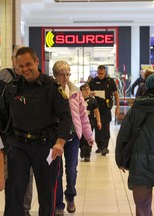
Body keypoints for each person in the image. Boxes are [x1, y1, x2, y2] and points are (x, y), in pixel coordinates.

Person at [0, 47, 72, 216]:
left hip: (46, 146)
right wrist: (3, 146)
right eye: (21, 66)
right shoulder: (12, 87)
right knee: (14, 192)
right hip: (18, 145)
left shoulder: (52, 87)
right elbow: (0, 118)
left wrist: (60, 142)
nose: (25, 69)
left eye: (28, 64)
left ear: (37, 62)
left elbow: (66, 117)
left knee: (46, 192)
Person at [0, 45, 34, 216]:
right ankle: (13, 211)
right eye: (16, 56)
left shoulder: (37, 81)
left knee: (28, 177)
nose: (20, 61)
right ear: (13, 58)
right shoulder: (3, 80)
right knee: (11, 178)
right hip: (7, 139)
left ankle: (25, 209)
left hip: (30, 139)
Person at [52, 60, 94, 216]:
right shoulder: (50, 91)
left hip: (73, 136)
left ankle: (70, 196)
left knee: (71, 169)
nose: (66, 77)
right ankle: (58, 204)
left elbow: (83, 116)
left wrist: (88, 135)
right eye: (62, 75)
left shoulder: (75, 92)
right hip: (55, 138)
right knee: (56, 172)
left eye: (68, 74)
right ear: (55, 75)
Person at [116, 72, 154, 216]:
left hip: (140, 163)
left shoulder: (136, 109)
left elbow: (123, 137)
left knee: (142, 206)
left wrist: (120, 160)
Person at [88, 65, 120, 156]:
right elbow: (86, 92)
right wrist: (90, 93)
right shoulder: (93, 81)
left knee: (105, 127)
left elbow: (116, 94)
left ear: (105, 72)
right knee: (97, 127)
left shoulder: (110, 81)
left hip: (106, 108)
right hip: (95, 108)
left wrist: (117, 107)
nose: (100, 75)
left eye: (102, 73)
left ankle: (105, 147)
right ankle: (99, 146)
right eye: (98, 73)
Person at [79, 83, 102, 162]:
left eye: (88, 89)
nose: (87, 91)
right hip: (79, 122)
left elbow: (96, 111)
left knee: (88, 138)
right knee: (81, 138)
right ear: (81, 91)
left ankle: (87, 154)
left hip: (90, 122)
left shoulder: (93, 100)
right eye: (84, 89)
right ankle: (82, 149)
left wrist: (98, 121)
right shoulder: (78, 100)